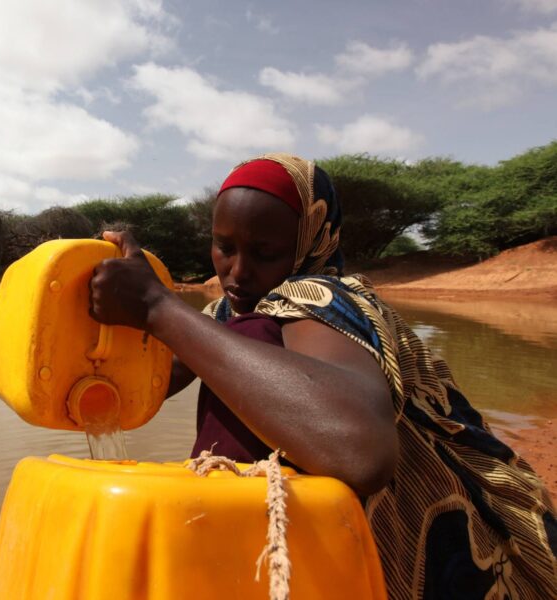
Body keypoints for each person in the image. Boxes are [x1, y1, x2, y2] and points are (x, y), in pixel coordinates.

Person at [88, 153, 556, 600]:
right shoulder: (226, 313)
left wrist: (157, 308)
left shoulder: (321, 299)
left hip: (453, 553)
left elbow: (360, 453)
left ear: (312, 243)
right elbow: (133, 398)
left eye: (265, 252)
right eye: (224, 247)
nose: (237, 271)